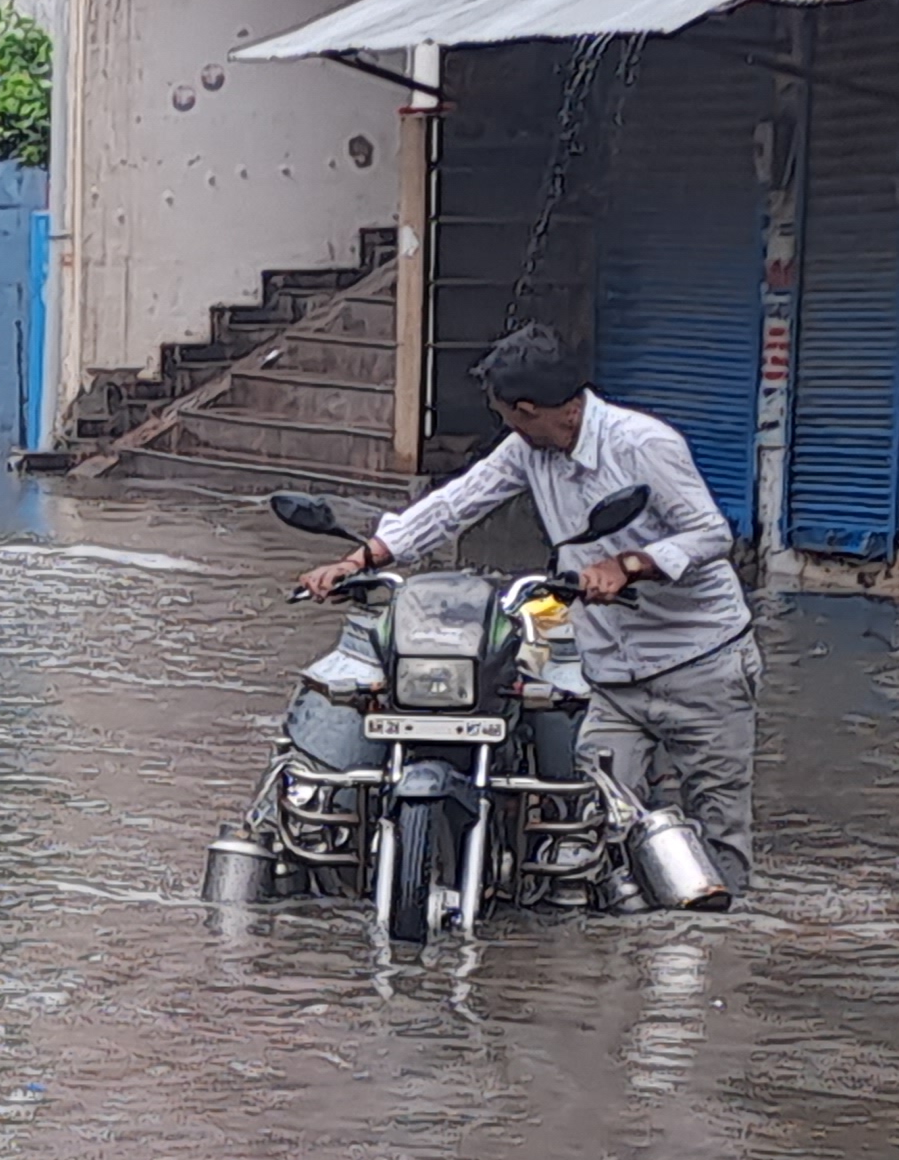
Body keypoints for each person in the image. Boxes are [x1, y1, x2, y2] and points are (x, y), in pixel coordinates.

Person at [300, 324, 763, 900]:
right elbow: (456, 503)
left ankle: (718, 959)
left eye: (512, 418)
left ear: (541, 409)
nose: (509, 431)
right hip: (613, 674)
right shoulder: (528, 449)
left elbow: (711, 533)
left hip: (700, 662)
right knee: (595, 823)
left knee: (719, 838)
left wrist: (632, 563)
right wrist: (362, 558)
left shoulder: (643, 444)